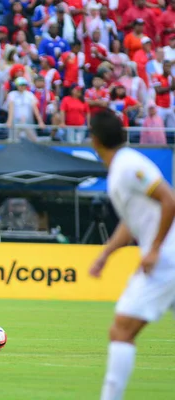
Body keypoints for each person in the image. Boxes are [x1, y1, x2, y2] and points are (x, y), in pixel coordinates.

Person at [88, 110, 175, 400]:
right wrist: (106, 255)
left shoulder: (128, 166)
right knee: (122, 330)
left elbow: (169, 199)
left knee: (121, 329)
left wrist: (153, 249)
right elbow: (132, 221)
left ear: (94, 140)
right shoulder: (120, 169)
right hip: (165, 257)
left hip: (166, 260)